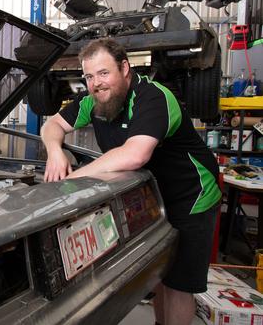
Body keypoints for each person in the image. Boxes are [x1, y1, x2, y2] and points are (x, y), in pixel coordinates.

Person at [41, 38, 221, 325]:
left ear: (124, 68)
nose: (96, 83)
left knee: (178, 285)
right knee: (162, 275)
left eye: (103, 73)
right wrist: (54, 151)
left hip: (192, 196)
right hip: (154, 196)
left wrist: (70, 178)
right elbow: (52, 124)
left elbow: (135, 154)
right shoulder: (93, 101)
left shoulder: (152, 96)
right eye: (88, 76)